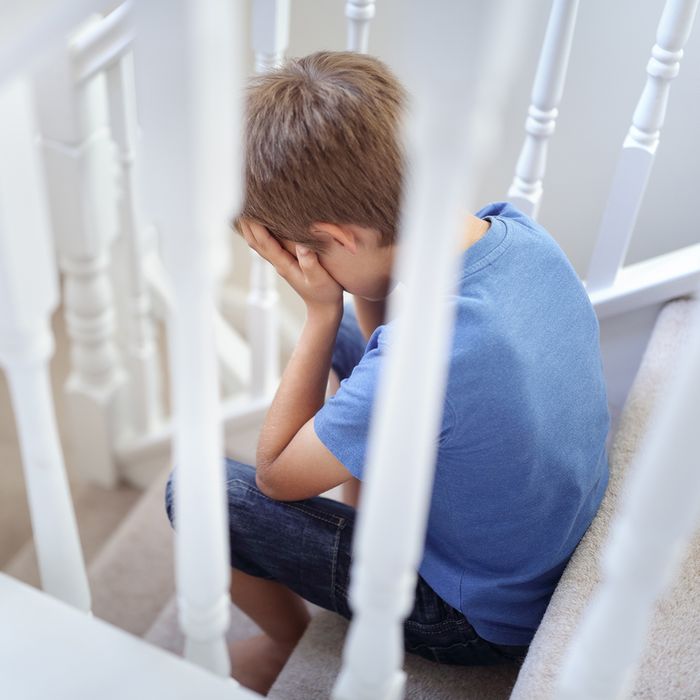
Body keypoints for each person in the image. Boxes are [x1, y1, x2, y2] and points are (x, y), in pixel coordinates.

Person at [164, 51, 610, 694]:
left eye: (306, 254)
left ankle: (287, 643)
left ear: (338, 238)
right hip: (537, 536)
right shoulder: (519, 234)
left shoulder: (431, 353)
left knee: (200, 493)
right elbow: (387, 347)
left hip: (476, 616)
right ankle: (363, 487)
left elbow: (277, 477)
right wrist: (353, 291)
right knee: (357, 345)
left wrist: (320, 312)